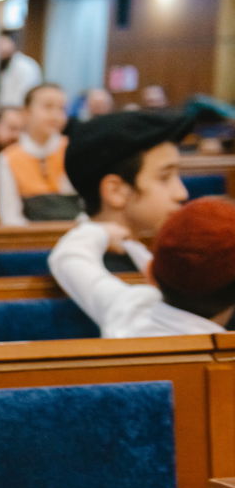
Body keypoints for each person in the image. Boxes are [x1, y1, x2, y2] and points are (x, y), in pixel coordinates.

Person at [45, 111, 226, 337]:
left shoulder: (165, 261)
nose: (182, 192)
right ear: (116, 190)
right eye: (164, 177)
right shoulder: (114, 273)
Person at [0, 83, 80, 224]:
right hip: (29, 238)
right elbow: (10, 217)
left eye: (62, 109)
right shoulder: (8, 158)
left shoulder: (74, 149)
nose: (56, 115)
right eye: (48, 107)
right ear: (26, 112)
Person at [0, 33, 43, 108]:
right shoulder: (6, 64)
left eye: (2, 43)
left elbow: (24, 94)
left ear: (12, 44)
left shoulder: (25, 66)